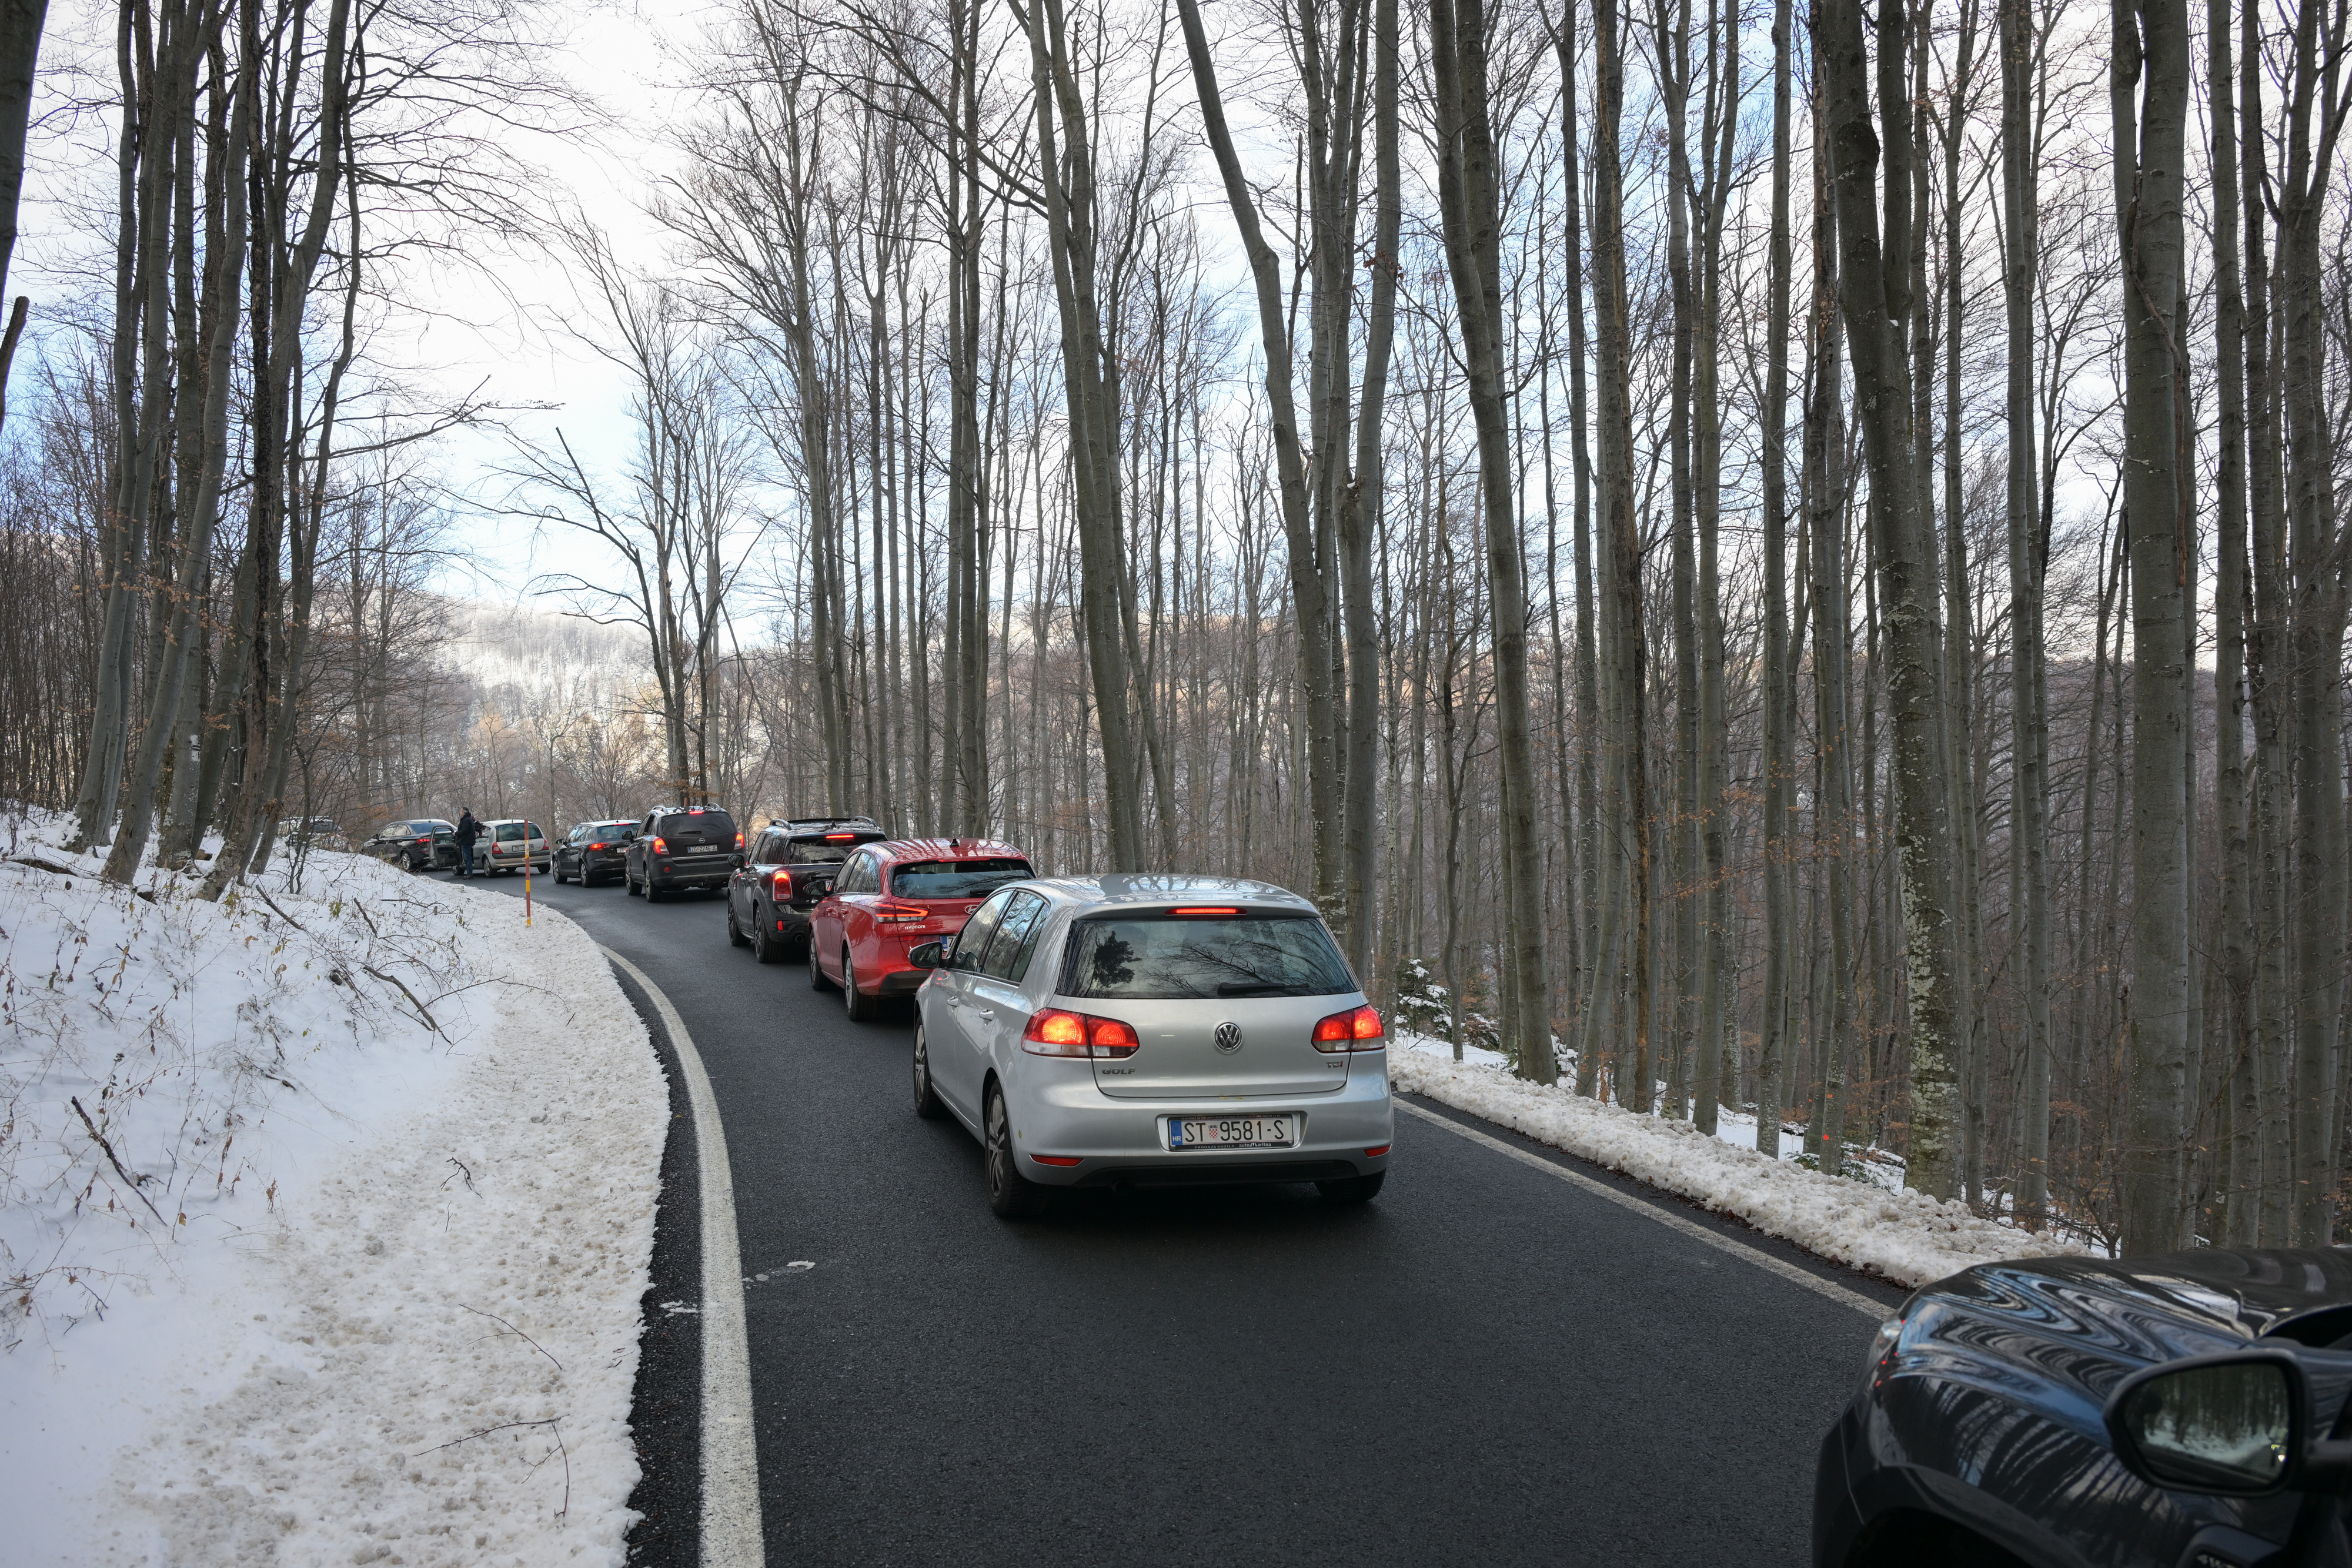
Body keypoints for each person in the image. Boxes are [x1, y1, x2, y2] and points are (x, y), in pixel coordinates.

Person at [454, 809, 482, 877]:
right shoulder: (469, 819)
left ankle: (469, 873)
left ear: (464, 812)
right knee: (467, 857)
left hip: (466, 841)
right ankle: (469, 872)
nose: (460, 812)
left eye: (461, 811)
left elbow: (464, 831)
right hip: (467, 841)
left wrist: (456, 833)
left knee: (467, 857)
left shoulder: (466, 820)